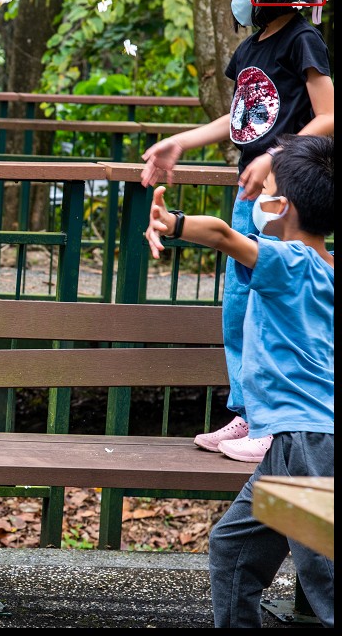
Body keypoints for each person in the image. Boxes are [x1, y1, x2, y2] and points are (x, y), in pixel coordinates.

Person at [140, 0, 333, 462]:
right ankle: (248, 412)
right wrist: (182, 141)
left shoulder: (302, 40)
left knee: (273, 309)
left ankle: (278, 421)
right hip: (249, 190)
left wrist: (277, 155)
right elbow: (241, 117)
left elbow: (330, 115)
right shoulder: (252, 46)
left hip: (285, 196)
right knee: (238, 308)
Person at [145, 134, 334, 628]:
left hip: (307, 444)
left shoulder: (290, 263)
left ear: (282, 207)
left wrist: (175, 223)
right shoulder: (328, 270)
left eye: (262, 190)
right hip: (296, 444)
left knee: (325, 577)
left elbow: (227, 237)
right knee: (235, 548)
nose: (253, 199)